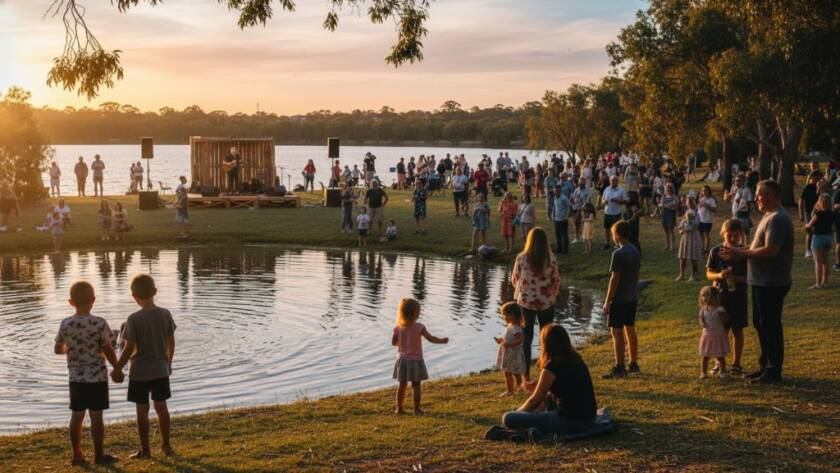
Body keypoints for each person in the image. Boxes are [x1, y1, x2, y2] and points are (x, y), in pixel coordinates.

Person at [721, 180, 794, 384]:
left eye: (760, 194)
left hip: (772, 281)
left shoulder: (778, 218)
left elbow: (771, 251)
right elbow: (757, 248)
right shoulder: (767, 216)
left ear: (771, 196)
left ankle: (773, 370)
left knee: (770, 325)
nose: (756, 198)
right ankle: (765, 365)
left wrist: (740, 254)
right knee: (760, 324)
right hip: (761, 281)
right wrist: (739, 252)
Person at [54, 281, 119, 466]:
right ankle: (99, 456)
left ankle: (77, 455)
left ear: (70, 302)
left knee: (77, 416)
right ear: (93, 300)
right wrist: (117, 367)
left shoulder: (65, 324)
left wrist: (71, 347)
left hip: (76, 378)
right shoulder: (99, 323)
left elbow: (58, 349)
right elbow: (108, 348)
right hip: (97, 376)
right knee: (96, 416)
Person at [112, 274, 176, 458]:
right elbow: (171, 342)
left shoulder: (133, 319)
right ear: (155, 292)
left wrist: (118, 368)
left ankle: (145, 450)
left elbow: (129, 348)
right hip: (160, 370)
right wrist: (168, 363)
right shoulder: (165, 314)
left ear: (134, 296)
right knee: (161, 408)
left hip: (139, 373)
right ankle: (166, 446)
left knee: (142, 411)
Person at [501, 324, 597, 435]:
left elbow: (534, 401)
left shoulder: (553, 365)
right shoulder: (576, 359)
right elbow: (564, 385)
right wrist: (538, 385)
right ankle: (534, 416)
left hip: (570, 422)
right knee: (547, 399)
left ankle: (527, 418)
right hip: (590, 418)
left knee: (508, 418)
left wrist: (517, 413)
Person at [511, 227, 560, 382]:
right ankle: (547, 371)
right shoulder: (551, 259)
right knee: (547, 337)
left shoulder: (521, 258)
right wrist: (551, 294)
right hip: (546, 302)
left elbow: (515, 279)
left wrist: (525, 291)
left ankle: (526, 375)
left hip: (526, 303)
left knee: (526, 338)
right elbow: (556, 280)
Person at [391, 298, 449, 415]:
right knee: (416, 385)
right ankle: (416, 409)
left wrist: (401, 342)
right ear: (414, 313)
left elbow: (393, 342)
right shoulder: (419, 327)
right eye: (418, 312)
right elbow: (430, 338)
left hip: (402, 360)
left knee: (402, 385)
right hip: (415, 361)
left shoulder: (397, 328)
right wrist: (442, 341)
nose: (419, 314)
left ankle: (399, 409)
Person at [706, 219, 748, 374]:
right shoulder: (716, 251)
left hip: (738, 297)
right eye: (729, 235)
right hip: (719, 298)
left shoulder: (744, 252)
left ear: (741, 235)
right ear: (723, 234)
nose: (732, 239)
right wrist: (719, 275)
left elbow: (749, 277)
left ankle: (736, 363)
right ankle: (719, 362)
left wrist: (736, 279)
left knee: (737, 330)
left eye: (736, 236)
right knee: (720, 332)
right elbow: (708, 273)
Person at [602, 220, 641, 378]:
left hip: (619, 299)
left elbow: (614, 279)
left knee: (616, 332)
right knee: (630, 328)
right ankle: (633, 363)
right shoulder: (635, 250)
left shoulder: (618, 254)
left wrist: (607, 300)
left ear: (617, 235)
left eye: (612, 234)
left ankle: (619, 366)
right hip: (632, 296)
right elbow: (637, 273)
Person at [697, 286, 730, 379]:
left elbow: (725, 320)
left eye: (707, 295)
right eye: (703, 296)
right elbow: (702, 321)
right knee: (705, 356)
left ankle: (722, 372)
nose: (705, 298)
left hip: (718, 335)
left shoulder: (719, 309)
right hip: (707, 336)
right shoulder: (703, 310)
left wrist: (723, 317)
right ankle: (703, 373)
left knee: (720, 356)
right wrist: (702, 322)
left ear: (715, 297)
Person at [495, 302, 526, 396]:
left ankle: (510, 391)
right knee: (516, 372)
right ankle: (520, 388)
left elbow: (520, 340)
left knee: (508, 372)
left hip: (512, 354)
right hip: (510, 353)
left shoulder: (516, 328)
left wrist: (508, 344)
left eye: (505, 315)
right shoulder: (510, 326)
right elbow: (508, 337)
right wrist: (501, 339)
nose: (504, 317)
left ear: (513, 315)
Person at [804, 193, 834, 289]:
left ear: (820, 202)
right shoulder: (832, 214)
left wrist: (806, 226)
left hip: (818, 238)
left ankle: (818, 283)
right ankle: (825, 282)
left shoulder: (818, 213)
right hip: (828, 238)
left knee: (818, 262)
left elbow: (810, 225)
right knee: (826, 261)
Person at [676, 198, 702, 281]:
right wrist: (681, 229)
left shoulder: (697, 212)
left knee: (692, 257)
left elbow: (696, 225)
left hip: (693, 237)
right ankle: (681, 275)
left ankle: (692, 275)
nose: (689, 203)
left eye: (690, 201)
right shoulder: (687, 211)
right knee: (682, 257)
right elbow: (682, 223)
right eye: (688, 202)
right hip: (685, 237)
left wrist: (690, 220)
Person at [600, 175, 628, 250]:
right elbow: (602, 201)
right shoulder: (606, 189)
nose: (613, 182)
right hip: (607, 212)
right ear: (610, 181)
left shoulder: (621, 190)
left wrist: (617, 200)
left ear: (617, 181)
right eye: (611, 180)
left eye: (614, 180)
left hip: (616, 213)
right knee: (607, 228)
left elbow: (626, 200)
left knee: (617, 229)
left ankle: (618, 244)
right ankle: (607, 243)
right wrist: (604, 202)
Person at [799, 171, 821, 258]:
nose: (817, 180)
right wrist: (801, 214)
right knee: (810, 231)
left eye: (819, 179)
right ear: (811, 178)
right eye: (816, 178)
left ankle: (816, 248)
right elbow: (801, 201)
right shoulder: (807, 188)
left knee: (818, 231)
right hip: (808, 212)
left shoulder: (820, 187)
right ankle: (808, 250)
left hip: (819, 212)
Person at [552, 184, 571, 255]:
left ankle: (565, 250)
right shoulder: (555, 197)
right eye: (555, 190)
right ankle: (559, 249)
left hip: (563, 219)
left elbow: (570, 206)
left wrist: (567, 215)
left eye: (557, 190)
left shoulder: (564, 198)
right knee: (558, 234)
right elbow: (555, 207)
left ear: (560, 190)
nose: (555, 192)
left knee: (564, 235)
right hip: (557, 219)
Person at [659, 183, 679, 251]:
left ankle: (671, 246)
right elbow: (661, 205)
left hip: (671, 214)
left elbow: (676, 204)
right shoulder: (664, 196)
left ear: (671, 189)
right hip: (664, 214)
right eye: (666, 189)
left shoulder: (674, 196)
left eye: (669, 189)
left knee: (671, 230)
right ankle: (667, 245)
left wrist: (667, 205)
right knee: (666, 231)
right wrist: (664, 205)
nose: (668, 190)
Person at [697, 185, 717, 252]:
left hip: (707, 220)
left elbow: (714, 210)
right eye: (703, 190)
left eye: (705, 190)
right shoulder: (701, 199)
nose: (704, 192)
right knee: (700, 233)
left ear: (709, 191)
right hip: (700, 219)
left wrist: (707, 206)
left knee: (706, 234)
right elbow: (699, 209)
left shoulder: (711, 200)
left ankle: (706, 248)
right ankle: (703, 246)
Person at [570, 178, 591, 244]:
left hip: (582, 209)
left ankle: (583, 238)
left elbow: (587, 202)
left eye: (582, 183)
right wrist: (572, 200)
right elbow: (573, 198)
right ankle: (577, 238)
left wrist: (580, 199)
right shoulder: (576, 189)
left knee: (582, 224)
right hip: (575, 208)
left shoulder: (587, 191)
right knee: (576, 224)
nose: (581, 184)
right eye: (580, 183)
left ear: (584, 183)